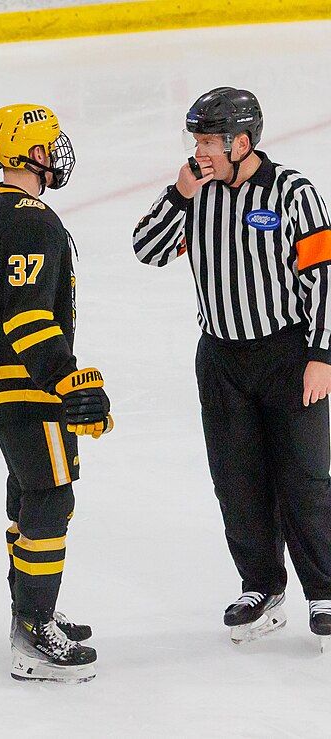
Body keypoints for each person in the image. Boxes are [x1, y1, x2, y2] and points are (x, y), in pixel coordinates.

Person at [133, 87, 331, 648]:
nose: (199, 152)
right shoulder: (196, 193)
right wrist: (179, 194)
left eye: (208, 143)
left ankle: (325, 593)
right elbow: (146, 249)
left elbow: (325, 276)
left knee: (304, 481)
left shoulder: (293, 191)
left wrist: (322, 355)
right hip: (221, 359)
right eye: (196, 142)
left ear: (241, 143)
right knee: (237, 483)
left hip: (289, 356)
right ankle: (262, 587)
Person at [0, 104, 110, 683]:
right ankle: (33, 633)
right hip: (24, 381)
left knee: (29, 494)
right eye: (50, 144)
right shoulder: (31, 218)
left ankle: (32, 611)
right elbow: (27, 314)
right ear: (31, 154)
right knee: (50, 496)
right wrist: (65, 378)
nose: (57, 152)